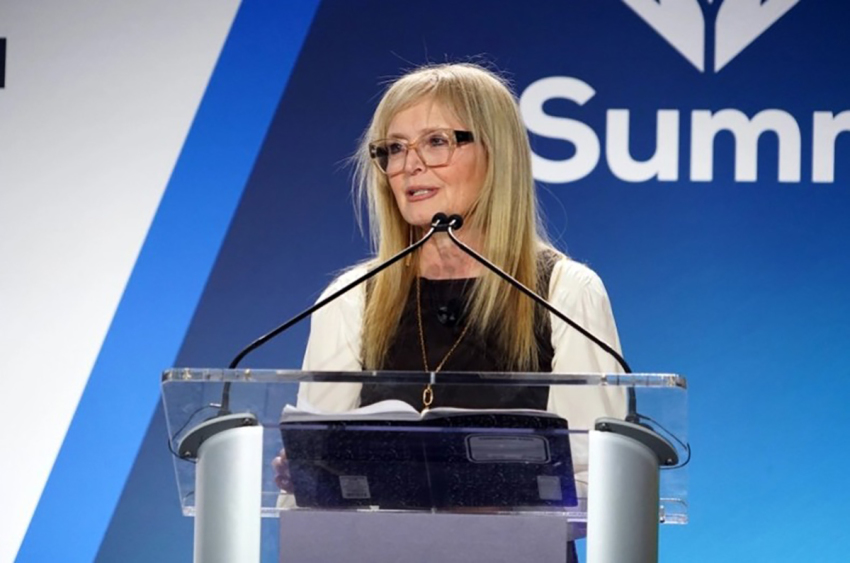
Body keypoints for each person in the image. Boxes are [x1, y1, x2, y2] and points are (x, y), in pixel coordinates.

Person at [276, 63, 626, 559]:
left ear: (496, 153)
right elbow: (304, 498)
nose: (410, 165)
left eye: (436, 142)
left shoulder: (565, 294)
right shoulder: (352, 298)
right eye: (394, 149)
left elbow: (601, 486)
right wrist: (309, 479)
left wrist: (491, 509)